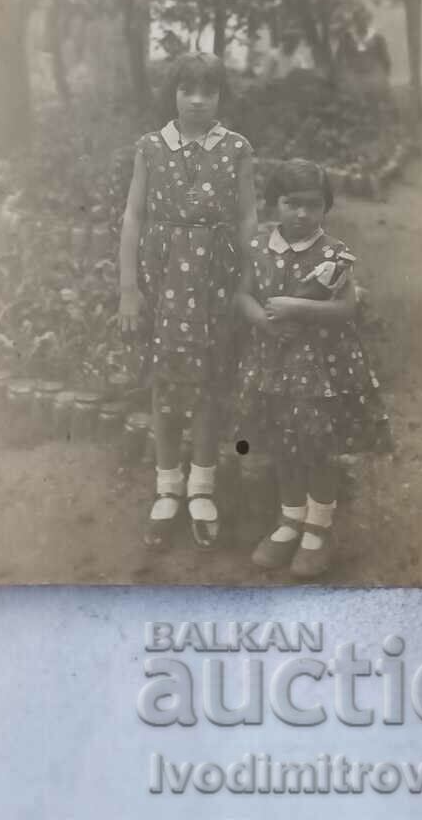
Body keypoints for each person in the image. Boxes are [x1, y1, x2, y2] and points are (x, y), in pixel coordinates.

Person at [119, 52, 258, 552]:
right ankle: (167, 486)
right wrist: (129, 289)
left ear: (221, 96)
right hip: (161, 282)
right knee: (165, 382)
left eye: (208, 90)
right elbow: (133, 216)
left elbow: (247, 219)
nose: (197, 99)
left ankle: (202, 487)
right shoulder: (152, 147)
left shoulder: (237, 148)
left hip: (214, 283)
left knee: (209, 380)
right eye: (187, 89)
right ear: (172, 93)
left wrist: (245, 283)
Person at [235, 158, 388, 580]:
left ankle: (317, 529)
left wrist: (296, 306)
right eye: (291, 203)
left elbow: (346, 308)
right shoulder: (259, 245)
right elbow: (241, 294)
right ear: (273, 204)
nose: (302, 213)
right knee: (284, 443)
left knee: (317, 446)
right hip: (272, 363)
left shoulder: (333, 255)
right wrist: (263, 320)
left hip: (320, 366)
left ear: (325, 207)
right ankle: (288, 521)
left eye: (312, 205)